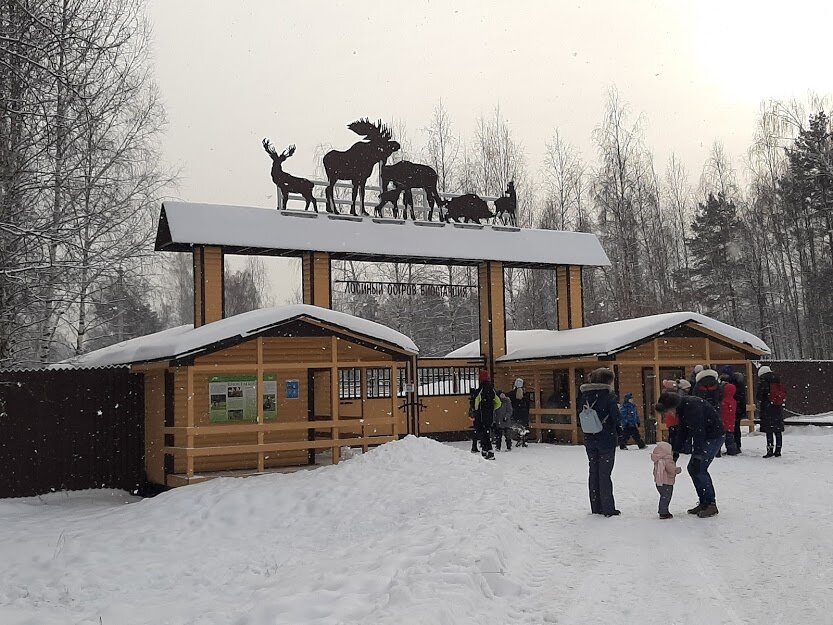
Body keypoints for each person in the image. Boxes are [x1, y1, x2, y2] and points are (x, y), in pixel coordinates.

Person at [655, 391, 724, 518]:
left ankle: (711, 504)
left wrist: (698, 454)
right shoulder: (682, 408)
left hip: (714, 436)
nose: (668, 414)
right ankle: (703, 502)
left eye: (667, 411)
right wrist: (675, 452)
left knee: (700, 468)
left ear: (672, 406)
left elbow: (699, 431)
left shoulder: (692, 407)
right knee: (693, 468)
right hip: (706, 436)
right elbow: (683, 430)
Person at [577, 367, 622, 517]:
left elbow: (580, 415)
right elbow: (616, 418)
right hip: (606, 438)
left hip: (589, 437)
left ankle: (595, 506)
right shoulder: (609, 396)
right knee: (605, 473)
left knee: (593, 471)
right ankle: (608, 508)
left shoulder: (584, 396)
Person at [757, 365, 786, 458]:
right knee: (778, 431)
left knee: (769, 431)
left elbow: (759, 396)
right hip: (777, 408)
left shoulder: (763, 382)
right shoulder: (777, 380)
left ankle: (770, 450)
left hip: (767, 409)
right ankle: (778, 450)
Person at [651, 441, 682, 519]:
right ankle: (663, 512)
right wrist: (677, 470)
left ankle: (663, 511)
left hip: (659, 482)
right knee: (666, 497)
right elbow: (671, 469)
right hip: (667, 483)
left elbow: (655, 471)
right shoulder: (667, 460)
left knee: (663, 496)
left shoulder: (657, 460)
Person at [474, 372, 501, 460]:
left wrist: (476, 410)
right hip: (490, 415)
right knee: (486, 432)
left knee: (483, 433)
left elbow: (476, 402)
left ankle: (489, 451)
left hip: (481, 415)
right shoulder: (492, 390)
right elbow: (498, 403)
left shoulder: (481, 389)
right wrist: (491, 408)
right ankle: (485, 450)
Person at [719, 372, 739, 455]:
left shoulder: (722, 401)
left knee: (720, 436)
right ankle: (732, 450)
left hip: (722, 421)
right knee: (730, 436)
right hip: (731, 421)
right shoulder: (733, 401)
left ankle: (717, 451)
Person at [510, 378, 531, 447]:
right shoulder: (525, 395)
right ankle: (524, 440)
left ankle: (519, 439)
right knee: (524, 427)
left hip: (515, 413)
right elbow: (528, 405)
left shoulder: (511, 394)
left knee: (517, 426)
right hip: (524, 414)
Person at [731, 370, 746, 452]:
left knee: (734, 428)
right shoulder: (741, 386)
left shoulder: (734, 386)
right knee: (737, 428)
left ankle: (734, 445)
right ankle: (737, 445)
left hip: (734, 409)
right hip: (739, 409)